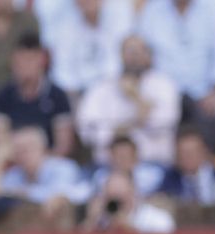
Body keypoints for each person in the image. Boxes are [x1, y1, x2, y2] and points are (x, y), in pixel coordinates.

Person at [134, 0, 215, 144]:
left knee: (212, 116)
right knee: (148, 115)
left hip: (206, 92)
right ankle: (158, 165)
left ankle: (208, 166)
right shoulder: (153, 8)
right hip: (165, 93)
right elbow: (141, 50)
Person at [75, 34, 183, 165]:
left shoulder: (164, 85)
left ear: (148, 55)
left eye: (139, 51)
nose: (134, 57)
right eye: (130, 51)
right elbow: (87, 130)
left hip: (153, 163)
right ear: (120, 55)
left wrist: (136, 97)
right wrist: (131, 125)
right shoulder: (102, 87)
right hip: (109, 166)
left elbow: (162, 124)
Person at [0, 123, 91, 225]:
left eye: (27, 149)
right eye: (17, 151)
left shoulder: (63, 167)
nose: (22, 155)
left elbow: (63, 194)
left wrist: (21, 193)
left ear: (43, 149)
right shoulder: (16, 174)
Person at [0, 35, 76, 156]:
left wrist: (38, 160)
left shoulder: (58, 96)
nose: (24, 66)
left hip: (48, 161)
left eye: (30, 59)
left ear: (42, 60)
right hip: (13, 163)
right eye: (20, 60)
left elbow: (64, 146)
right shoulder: (2, 97)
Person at [43, 0, 136, 98]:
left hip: (116, 90)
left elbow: (123, 61)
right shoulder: (65, 29)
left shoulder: (120, 17)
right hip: (79, 96)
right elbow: (63, 74)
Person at [81, 169, 178, 230]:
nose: (116, 204)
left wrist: (126, 226)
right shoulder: (101, 219)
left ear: (132, 194)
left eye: (120, 198)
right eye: (111, 198)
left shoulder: (157, 219)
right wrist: (92, 220)